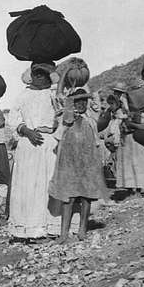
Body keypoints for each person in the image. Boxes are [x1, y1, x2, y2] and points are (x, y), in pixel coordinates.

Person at [6, 62, 59, 241]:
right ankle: (26, 229)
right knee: (27, 186)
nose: (38, 77)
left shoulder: (53, 95)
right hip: (28, 145)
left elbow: (61, 117)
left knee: (46, 183)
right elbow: (13, 119)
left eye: (43, 74)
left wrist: (51, 129)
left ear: (49, 77)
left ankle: (49, 227)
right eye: (36, 73)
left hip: (47, 144)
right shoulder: (23, 95)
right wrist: (27, 131)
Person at [49, 89, 108, 243]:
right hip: (69, 163)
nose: (81, 104)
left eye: (84, 101)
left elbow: (96, 142)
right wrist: (68, 114)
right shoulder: (66, 118)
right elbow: (57, 135)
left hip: (88, 163)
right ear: (72, 103)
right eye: (78, 101)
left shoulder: (91, 119)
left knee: (86, 197)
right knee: (69, 197)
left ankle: (82, 229)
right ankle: (64, 233)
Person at [107, 87, 144, 195]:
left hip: (137, 141)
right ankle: (131, 186)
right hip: (127, 140)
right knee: (129, 164)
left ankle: (141, 186)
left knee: (138, 164)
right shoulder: (125, 112)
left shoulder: (141, 114)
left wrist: (131, 124)